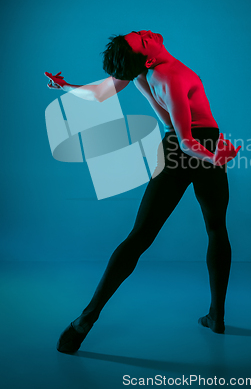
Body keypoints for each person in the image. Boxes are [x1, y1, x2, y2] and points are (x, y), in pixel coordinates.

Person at [45, 30, 241, 354]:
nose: (145, 33)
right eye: (142, 40)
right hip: (195, 146)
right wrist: (216, 156)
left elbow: (101, 92)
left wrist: (66, 86)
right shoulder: (169, 75)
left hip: (183, 147)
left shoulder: (140, 71)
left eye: (137, 34)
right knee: (214, 229)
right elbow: (188, 141)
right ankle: (216, 316)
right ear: (147, 56)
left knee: (143, 236)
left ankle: (85, 321)